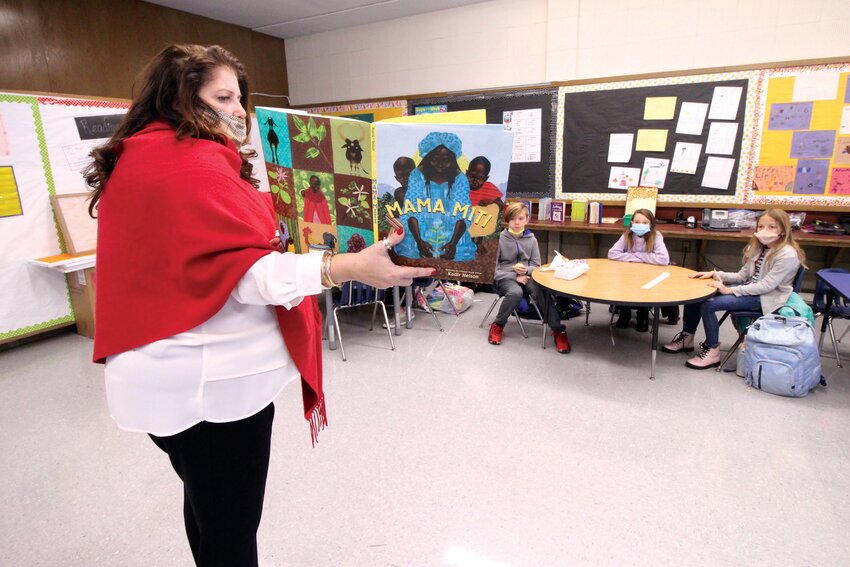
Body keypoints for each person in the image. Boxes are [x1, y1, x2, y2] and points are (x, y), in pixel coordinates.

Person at [84, 44, 434, 567]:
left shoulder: (142, 157)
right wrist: (347, 267)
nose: (238, 112)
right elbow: (245, 273)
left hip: (160, 380)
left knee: (206, 503)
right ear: (180, 98)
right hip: (214, 388)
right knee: (231, 527)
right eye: (222, 96)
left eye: (240, 98)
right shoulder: (192, 164)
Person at [662, 208, 805, 370]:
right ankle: (687, 338)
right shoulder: (760, 248)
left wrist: (729, 290)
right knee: (697, 292)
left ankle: (712, 350)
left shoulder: (787, 254)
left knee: (709, 304)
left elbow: (766, 286)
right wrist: (713, 274)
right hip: (750, 289)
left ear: (784, 230)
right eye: (761, 227)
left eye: (772, 227)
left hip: (767, 298)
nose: (765, 231)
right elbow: (742, 276)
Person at [489, 202, 571, 353]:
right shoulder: (499, 239)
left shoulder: (531, 239)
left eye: (520, 218)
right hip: (505, 277)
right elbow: (492, 270)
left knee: (543, 291)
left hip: (527, 276)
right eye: (513, 219)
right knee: (515, 293)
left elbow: (536, 265)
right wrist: (515, 276)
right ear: (507, 220)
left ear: (527, 220)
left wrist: (527, 270)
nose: (517, 222)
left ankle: (558, 330)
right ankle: (498, 325)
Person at [393, 132, 477, 261]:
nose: (440, 164)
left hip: (454, 233)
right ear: (427, 157)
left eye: (446, 160)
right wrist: (419, 240)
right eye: (435, 159)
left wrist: (453, 243)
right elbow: (411, 211)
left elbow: (463, 213)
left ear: (453, 159)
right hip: (419, 232)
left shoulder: (460, 179)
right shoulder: (416, 175)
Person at [607, 208, 670, 332]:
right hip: (628, 273)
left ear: (651, 224)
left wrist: (637, 256)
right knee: (622, 283)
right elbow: (612, 253)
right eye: (637, 221)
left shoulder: (656, 236)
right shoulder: (627, 235)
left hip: (649, 274)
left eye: (645, 222)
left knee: (646, 289)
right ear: (632, 223)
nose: (640, 225)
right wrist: (643, 257)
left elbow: (663, 259)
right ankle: (625, 313)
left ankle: (643, 314)